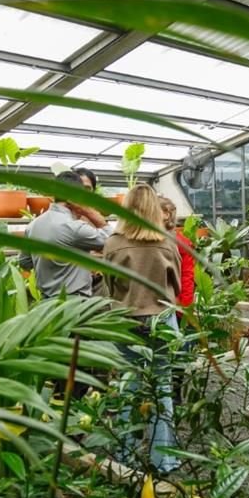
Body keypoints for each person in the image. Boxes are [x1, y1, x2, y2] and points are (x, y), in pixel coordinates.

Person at [103, 184, 182, 474]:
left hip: (127, 320)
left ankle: (123, 455)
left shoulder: (114, 243)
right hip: (162, 320)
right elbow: (177, 286)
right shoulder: (167, 242)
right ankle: (164, 459)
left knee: (128, 386)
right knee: (162, 387)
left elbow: (109, 287)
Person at [19, 171, 111, 299]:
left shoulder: (33, 226)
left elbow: (24, 262)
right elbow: (112, 241)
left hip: (46, 303)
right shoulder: (74, 227)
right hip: (74, 304)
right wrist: (90, 213)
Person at [159, 196, 195, 309]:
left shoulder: (180, 243)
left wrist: (183, 305)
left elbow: (186, 275)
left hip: (173, 302)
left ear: (166, 214)